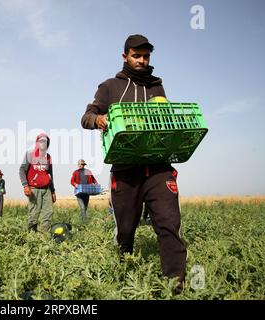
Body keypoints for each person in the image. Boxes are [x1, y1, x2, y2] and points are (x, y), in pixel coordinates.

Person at [81, 34, 186, 293]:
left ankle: (176, 286)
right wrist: (98, 120)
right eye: (136, 55)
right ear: (125, 56)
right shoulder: (110, 86)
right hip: (125, 168)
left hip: (158, 167)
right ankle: (123, 276)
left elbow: (163, 122)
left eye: (146, 56)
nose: (141, 60)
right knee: (126, 228)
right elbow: (86, 116)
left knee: (168, 223)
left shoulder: (157, 87)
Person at [19, 133, 56, 232]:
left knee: (48, 212)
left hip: (46, 189)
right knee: (34, 213)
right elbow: (22, 170)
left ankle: (44, 235)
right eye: (41, 141)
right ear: (37, 142)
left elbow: (50, 175)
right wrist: (25, 186)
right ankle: (32, 236)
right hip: (33, 189)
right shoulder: (30, 154)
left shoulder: (48, 157)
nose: (43, 143)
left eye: (45, 142)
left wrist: (53, 191)